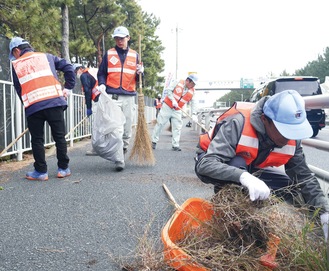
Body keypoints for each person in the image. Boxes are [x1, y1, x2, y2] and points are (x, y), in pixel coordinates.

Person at [195, 89, 329, 241]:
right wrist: (243, 177)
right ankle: (229, 218)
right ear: (265, 119)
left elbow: (304, 177)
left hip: (252, 166)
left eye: (292, 131)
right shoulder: (237, 123)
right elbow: (206, 165)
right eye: (283, 130)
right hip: (214, 160)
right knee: (237, 166)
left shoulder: (292, 137)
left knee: (290, 188)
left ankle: (276, 229)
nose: (287, 138)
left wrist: (324, 212)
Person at [9, 37, 75, 181]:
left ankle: (41, 172)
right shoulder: (46, 57)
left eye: (13, 54)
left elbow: (19, 89)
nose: (13, 57)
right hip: (54, 101)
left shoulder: (16, 64)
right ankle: (63, 169)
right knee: (59, 137)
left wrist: (27, 104)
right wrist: (68, 88)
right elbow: (68, 67)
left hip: (34, 106)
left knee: (37, 139)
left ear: (17, 50)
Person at [97, 26, 144, 171]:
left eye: (122, 38)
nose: (119, 41)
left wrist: (141, 72)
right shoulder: (109, 54)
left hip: (129, 95)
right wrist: (102, 84)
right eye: (117, 38)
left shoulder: (135, 55)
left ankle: (123, 150)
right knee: (116, 128)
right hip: (113, 96)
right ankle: (119, 159)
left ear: (128, 38)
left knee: (126, 128)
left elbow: (140, 79)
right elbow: (101, 73)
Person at [151, 74, 198, 151]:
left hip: (177, 109)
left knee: (177, 127)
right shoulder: (178, 82)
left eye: (194, 84)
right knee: (160, 123)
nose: (193, 86)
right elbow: (169, 90)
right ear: (187, 80)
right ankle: (153, 142)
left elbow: (194, 103)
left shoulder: (193, 91)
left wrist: (194, 114)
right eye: (192, 83)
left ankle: (175, 145)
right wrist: (173, 100)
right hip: (167, 106)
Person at [73, 63, 100, 156]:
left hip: (98, 100)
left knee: (96, 125)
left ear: (80, 68)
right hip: (105, 98)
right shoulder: (93, 71)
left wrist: (88, 107)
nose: (76, 73)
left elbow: (88, 91)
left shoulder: (84, 75)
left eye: (76, 71)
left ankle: (96, 149)